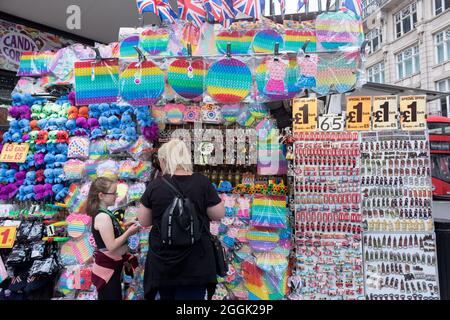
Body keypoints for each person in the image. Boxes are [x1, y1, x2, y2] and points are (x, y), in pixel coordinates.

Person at [138, 139, 225, 300]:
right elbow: (218, 214)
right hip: (196, 260)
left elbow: (144, 221)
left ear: (165, 159)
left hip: (164, 260)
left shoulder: (155, 186)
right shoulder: (202, 182)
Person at [86, 176, 140, 300]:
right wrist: (129, 233)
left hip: (112, 267)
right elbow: (111, 245)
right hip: (107, 270)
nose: (116, 195)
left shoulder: (105, 213)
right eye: (113, 193)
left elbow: (112, 232)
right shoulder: (103, 217)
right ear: (101, 195)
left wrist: (126, 225)